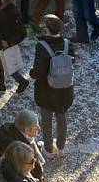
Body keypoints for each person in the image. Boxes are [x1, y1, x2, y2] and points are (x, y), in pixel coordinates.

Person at [29, 14, 75, 157]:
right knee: (62, 117)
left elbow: (39, 71)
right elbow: (71, 63)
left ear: (47, 29)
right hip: (65, 89)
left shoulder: (42, 46)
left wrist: (31, 73)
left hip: (46, 90)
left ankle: (48, 149)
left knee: (47, 119)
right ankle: (61, 147)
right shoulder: (68, 44)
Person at [0, 0, 29, 94]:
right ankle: (1, 84)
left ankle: (21, 81)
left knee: (7, 64)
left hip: (5, 42)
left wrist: (9, 42)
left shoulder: (12, 12)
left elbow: (22, 33)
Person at [0, 109, 44, 182]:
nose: (39, 128)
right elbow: (21, 174)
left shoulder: (15, 133)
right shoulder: (21, 150)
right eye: (36, 127)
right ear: (27, 130)